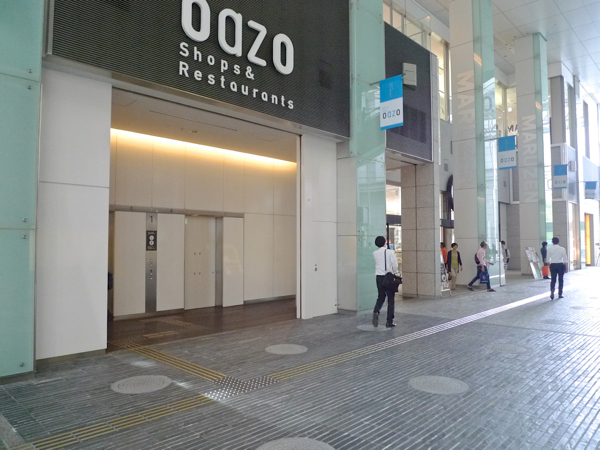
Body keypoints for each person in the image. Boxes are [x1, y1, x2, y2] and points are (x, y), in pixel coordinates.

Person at [372, 236, 399, 328]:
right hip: (388, 277)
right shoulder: (390, 252)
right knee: (391, 299)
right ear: (385, 242)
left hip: (379, 277)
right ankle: (389, 321)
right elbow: (395, 265)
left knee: (381, 296)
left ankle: (376, 311)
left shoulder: (375, 253)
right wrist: (395, 272)